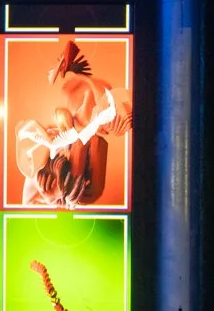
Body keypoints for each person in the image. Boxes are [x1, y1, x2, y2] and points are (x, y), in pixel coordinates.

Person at [15, 39, 129, 207]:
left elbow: (89, 193)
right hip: (39, 205)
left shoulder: (94, 144)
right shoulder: (56, 130)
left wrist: (57, 195)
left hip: (58, 203)